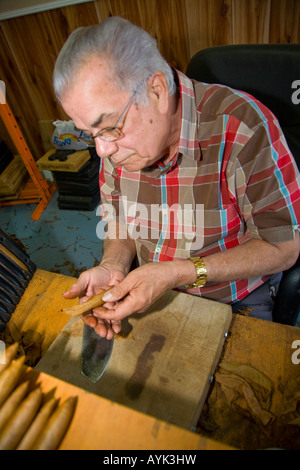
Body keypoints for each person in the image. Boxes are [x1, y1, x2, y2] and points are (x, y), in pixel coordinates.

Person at [53, 17, 300, 339]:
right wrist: (112, 266)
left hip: (232, 297)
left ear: (156, 90)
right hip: (148, 286)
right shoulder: (116, 142)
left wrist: (178, 272)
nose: (102, 150)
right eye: (89, 133)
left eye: (109, 126)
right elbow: (118, 217)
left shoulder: (243, 128)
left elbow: (282, 248)